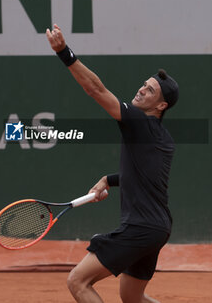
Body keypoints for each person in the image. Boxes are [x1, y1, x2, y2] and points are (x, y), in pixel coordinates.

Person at [46, 24, 179, 303]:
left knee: (78, 281)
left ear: (161, 106)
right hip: (158, 228)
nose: (142, 90)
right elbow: (145, 175)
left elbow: (95, 89)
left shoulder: (139, 122)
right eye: (144, 84)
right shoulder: (163, 137)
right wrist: (109, 179)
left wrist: (64, 53)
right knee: (133, 299)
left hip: (141, 227)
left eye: (150, 90)